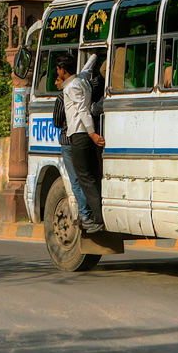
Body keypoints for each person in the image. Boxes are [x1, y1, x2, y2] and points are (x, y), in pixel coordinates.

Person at [56, 53, 106, 233]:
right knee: (90, 176)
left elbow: (83, 111)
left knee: (84, 179)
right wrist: (95, 55)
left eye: (58, 70)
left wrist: (91, 133)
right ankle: (97, 216)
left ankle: (96, 219)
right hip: (83, 135)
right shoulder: (82, 81)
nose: (57, 74)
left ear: (63, 70)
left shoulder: (72, 88)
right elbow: (87, 69)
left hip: (79, 135)